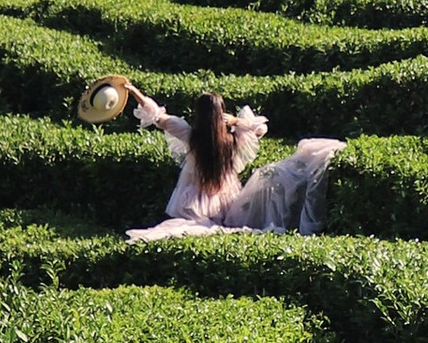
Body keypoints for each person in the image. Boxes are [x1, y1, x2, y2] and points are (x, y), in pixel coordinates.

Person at [122, 87, 344, 240]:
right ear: (221, 113)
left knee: (193, 227)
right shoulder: (232, 139)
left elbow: (159, 117)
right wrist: (237, 121)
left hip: (194, 201)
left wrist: (134, 91)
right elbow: (261, 129)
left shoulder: (191, 135)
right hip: (227, 200)